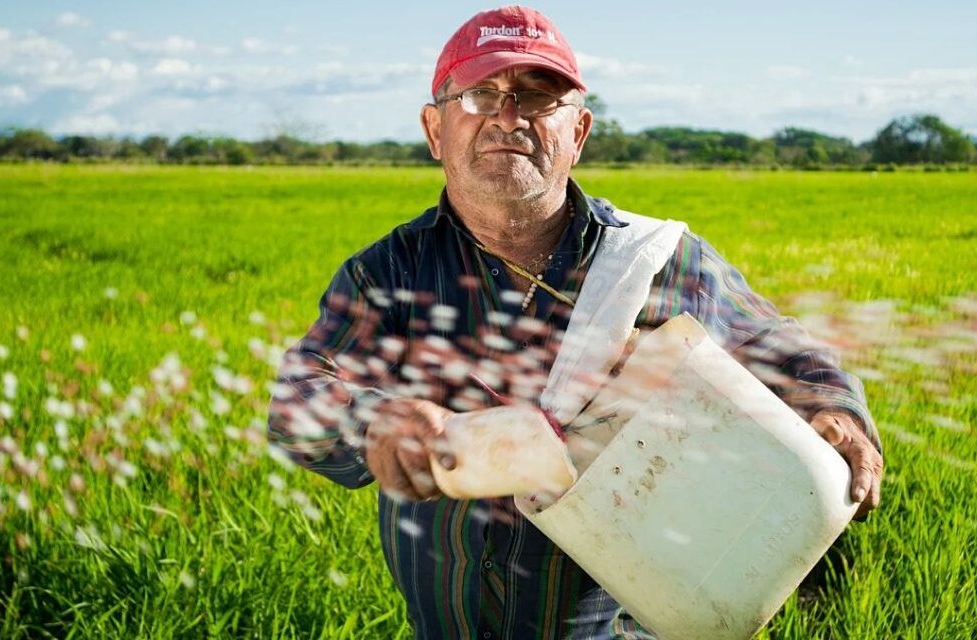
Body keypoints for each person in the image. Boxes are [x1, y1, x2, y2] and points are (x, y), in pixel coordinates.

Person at [267, 5, 882, 638]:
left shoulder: (654, 261)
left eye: (538, 97)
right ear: (434, 129)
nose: (509, 116)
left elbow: (776, 346)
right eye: (480, 95)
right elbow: (297, 398)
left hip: (620, 620)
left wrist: (836, 410)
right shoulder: (389, 272)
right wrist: (373, 423)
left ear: (579, 131)